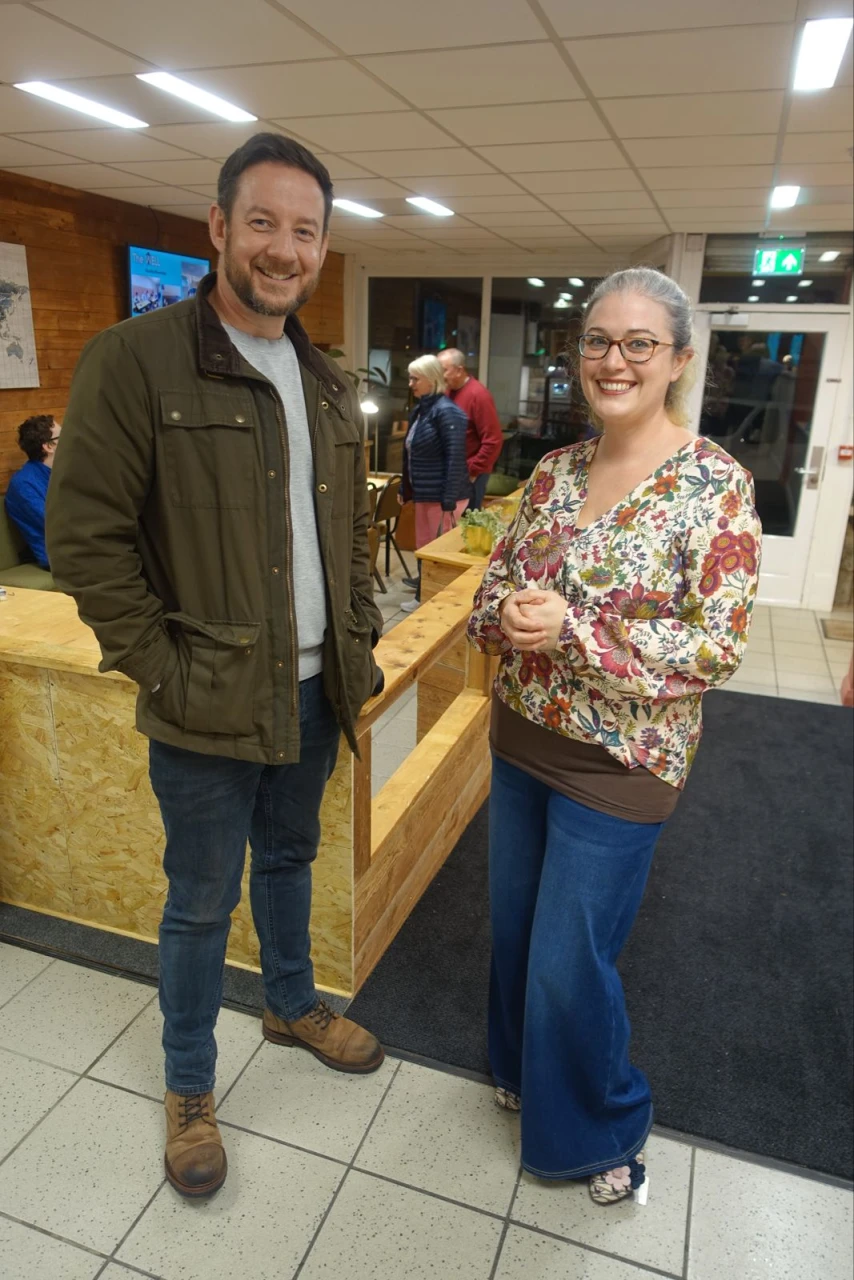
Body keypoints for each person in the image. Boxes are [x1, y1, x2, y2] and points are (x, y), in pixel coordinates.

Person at [46, 133, 385, 1199]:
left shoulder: (326, 381)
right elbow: (88, 540)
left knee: (287, 863)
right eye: (263, 223)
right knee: (199, 899)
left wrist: (359, 644)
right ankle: (188, 1085)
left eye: (304, 230)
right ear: (218, 228)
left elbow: (346, 539)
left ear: (322, 245)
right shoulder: (135, 360)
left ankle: (291, 1001)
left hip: (312, 692)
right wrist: (163, 667)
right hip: (202, 696)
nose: (283, 248)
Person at [468, 267, 761, 1205]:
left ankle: (603, 1122)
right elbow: (489, 586)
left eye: (640, 343)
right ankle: (522, 1069)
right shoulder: (553, 472)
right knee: (516, 932)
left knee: (568, 959)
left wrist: (579, 633)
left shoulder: (715, 486)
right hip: (522, 740)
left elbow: (716, 647)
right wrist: (504, 610)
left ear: (679, 359)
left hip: (625, 764)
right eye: (598, 340)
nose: (614, 360)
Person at [399, 355, 469, 613]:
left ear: (432, 379)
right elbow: (410, 453)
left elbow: (455, 459)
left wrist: (448, 498)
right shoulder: (422, 410)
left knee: (437, 554)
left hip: (442, 497)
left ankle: (434, 602)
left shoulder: (448, 412)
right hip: (424, 494)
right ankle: (424, 597)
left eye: (415, 378)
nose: (411, 384)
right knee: (425, 550)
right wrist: (404, 488)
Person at [437, 348, 504, 510]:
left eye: (444, 370)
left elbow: (493, 441)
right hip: (449, 471)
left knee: (465, 525)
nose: (440, 376)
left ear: (459, 370)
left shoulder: (479, 395)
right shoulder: (446, 392)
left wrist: (473, 471)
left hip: (470, 473)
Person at [4, 415, 61, 569]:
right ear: (49, 446)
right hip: (60, 557)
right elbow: (57, 525)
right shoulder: (24, 485)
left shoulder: (62, 472)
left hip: (85, 547)